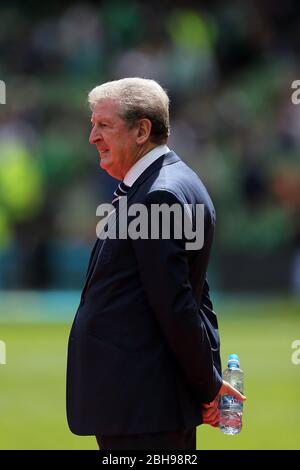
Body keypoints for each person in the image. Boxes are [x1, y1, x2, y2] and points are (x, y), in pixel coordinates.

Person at [66, 77, 246, 450]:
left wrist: (209, 387)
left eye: (104, 125)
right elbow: (196, 292)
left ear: (142, 130)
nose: (92, 137)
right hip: (146, 402)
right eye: (92, 124)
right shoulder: (165, 183)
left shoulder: (158, 193)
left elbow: (177, 303)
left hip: (142, 405)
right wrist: (206, 379)